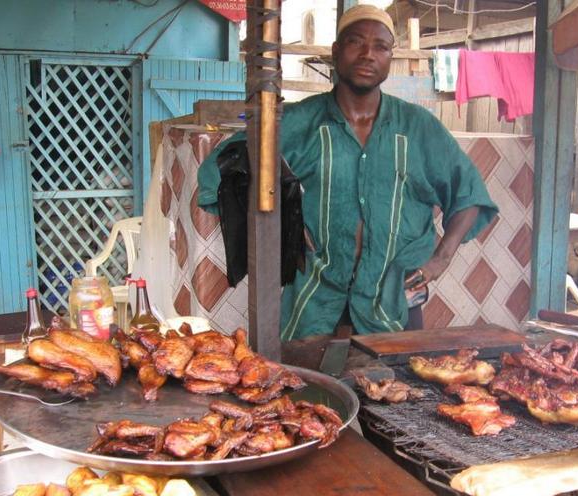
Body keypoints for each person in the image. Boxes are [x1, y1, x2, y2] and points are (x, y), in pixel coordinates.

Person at [198, 5, 497, 340]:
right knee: (302, 388)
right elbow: (221, 171)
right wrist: (283, 226)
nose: (368, 54)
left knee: (397, 390)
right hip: (314, 302)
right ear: (336, 52)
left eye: (381, 46)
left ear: (390, 57)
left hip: (393, 306)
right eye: (356, 42)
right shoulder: (299, 122)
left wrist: (441, 258)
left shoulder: (418, 128)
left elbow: (469, 195)